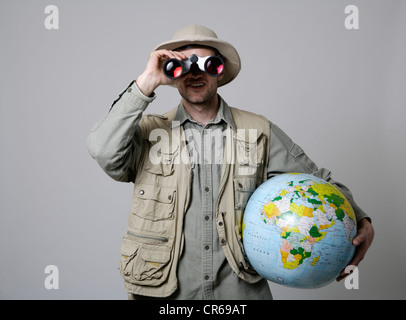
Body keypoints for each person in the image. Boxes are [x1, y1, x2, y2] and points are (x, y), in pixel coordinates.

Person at [87, 24, 374, 300]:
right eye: (185, 65)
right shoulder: (150, 131)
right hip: (163, 292)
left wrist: (361, 219)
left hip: (238, 292)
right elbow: (103, 150)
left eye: (207, 64)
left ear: (219, 71)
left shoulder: (258, 130)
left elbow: (319, 183)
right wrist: (146, 83)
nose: (195, 74)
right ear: (172, 73)